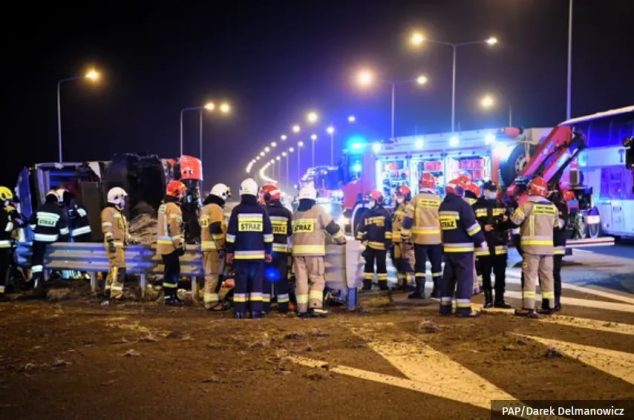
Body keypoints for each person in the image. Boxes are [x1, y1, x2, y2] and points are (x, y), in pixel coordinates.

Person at [510, 176, 561, 318]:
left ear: (532, 189)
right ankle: (549, 305)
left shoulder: (527, 205)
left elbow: (515, 221)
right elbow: (557, 225)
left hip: (531, 249)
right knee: (547, 277)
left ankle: (529, 307)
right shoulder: (552, 207)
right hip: (548, 249)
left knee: (530, 277)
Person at [291, 185, 345, 318]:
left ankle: (302, 309)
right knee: (318, 279)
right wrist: (342, 240)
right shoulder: (318, 210)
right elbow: (332, 227)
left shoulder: (296, 214)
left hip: (297, 253)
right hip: (313, 252)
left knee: (301, 280)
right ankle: (315, 306)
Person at [438, 178, 487, 317]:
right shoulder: (463, 205)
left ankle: (445, 307)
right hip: (463, 250)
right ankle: (463, 309)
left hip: (448, 249)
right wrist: (481, 240)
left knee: (448, 278)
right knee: (464, 279)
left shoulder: (443, 206)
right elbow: (471, 227)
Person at [225, 178, 273, 319]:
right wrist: (268, 251)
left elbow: (231, 234)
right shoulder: (261, 210)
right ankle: (255, 311)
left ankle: (239, 311)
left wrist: (229, 251)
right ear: (256, 192)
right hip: (258, 256)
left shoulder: (237, 210)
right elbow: (268, 234)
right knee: (257, 283)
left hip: (240, 256)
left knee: (240, 282)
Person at [401, 172, 442, 299]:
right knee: (436, 266)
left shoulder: (416, 199)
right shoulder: (438, 199)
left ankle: (420, 291)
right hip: (436, 239)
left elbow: (408, 219)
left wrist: (405, 235)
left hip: (420, 239)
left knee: (420, 266)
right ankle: (438, 290)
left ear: (420, 184)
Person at [473, 181, 512, 308]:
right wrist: (483, 226)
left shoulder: (502, 204)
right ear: (485, 191)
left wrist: (505, 222)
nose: (494, 193)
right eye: (491, 190)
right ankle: (488, 300)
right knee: (485, 274)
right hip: (484, 246)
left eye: (495, 190)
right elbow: (471, 222)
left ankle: (499, 299)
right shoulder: (476, 206)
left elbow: (508, 220)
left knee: (501, 275)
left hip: (500, 245)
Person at [28, 189, 69, 297]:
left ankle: (37, 279)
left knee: (37, 259)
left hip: (38, 240)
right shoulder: (58, 211)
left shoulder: (39, 209)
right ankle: (54, 274)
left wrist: (37, 229)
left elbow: (31, 224)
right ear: (56, 200)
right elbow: (64, 231)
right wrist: (63, 240)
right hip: (52, 240)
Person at [261, 184, 293, 314]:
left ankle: (265, 306)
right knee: (282, 279)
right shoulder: (286, 212)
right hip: (282, 252)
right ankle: (283, 306)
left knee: (266, 279)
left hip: (267, 252)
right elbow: (290, 232)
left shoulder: (264, 211)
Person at [199, 183, 231, 310]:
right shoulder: (216, 209)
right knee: (213, 275)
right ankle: (211, 303)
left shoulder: (205, 208)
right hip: (214, 248)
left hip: (206, 247)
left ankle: (211, 300)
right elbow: (215, 228)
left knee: (210, 275)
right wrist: (221, 245)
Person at [157, 180, 187, 306]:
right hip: (170, 246)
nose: (183, 195)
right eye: (181, 192)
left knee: (170, 271)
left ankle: (170, 295)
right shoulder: (174, 208)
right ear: (177, 192)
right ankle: (170, 297)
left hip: (163, 245)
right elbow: (174, 228)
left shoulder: (163, 206)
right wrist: (179, 245)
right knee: (173, 272)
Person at [356, 190, 392, 290]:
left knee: (379, 266)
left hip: (378, 245)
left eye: (371, 199)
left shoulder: (381, 213)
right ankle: (371, 285)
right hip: (372, 245)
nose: (369, 201)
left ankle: (380, 284)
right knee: (370, 266)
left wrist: (388, 241)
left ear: (376, 201)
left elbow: (388, 229)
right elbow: (361, 229)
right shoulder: (367, 213)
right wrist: (358, 241)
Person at [101, 187, 130, 300]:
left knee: (114, 268)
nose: (124, 201)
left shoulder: (119, 214)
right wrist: (110, 241)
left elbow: (122, 231)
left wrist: (130, 238)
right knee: (120, 268)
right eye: (122, 198)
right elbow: (107, 227)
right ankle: (116, 294)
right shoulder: (108, 211)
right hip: (115, 245)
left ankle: (108, 291)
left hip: (119, 245)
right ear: (116, 198)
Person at [546, 188, 569, 312]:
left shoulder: (560, 206)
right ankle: (548, 300)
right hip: (545, 244)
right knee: (546, 274)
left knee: (554, 273)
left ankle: (556, 300)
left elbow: (559, 224)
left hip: (556, 245)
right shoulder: (545, 204)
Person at [391, 185, 414, 290]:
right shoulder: (397, 207)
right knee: (398, 261)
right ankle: (401, 282)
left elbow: (409, 223)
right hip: (396, 240)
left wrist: (408, 238)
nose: (396, 197)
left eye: (399, 195)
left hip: (405, 240)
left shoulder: (408, 207)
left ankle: (409, 283)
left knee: (407, 261)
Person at [0, 186, 20, 299]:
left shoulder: (5, 210)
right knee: (2, 268)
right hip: (2, 245)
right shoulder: (3, 212)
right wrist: (15, 222)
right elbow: (7, 227)